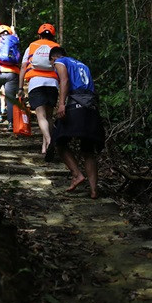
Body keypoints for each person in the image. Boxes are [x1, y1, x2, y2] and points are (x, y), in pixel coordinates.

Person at [49, 46, 104, 199]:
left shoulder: (60, 62)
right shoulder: (83, 65)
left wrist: (61, 104)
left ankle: (77, 174)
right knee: (88, 150)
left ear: (54, 58)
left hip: (75, 105)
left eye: (52, 63)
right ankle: (94, 191)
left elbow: (65, 80)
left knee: (59, 141)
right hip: (91, 107)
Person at [18, 24, 60, 154]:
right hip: (52, 84)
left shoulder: (31, 46)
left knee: (41, 116)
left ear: (39, 35)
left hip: (36, 83)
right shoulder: (57, 47)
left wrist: (20, 88)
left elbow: (24, 67)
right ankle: (45, 148)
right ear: (53, 36)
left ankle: (48, 140)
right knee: (49, 116)